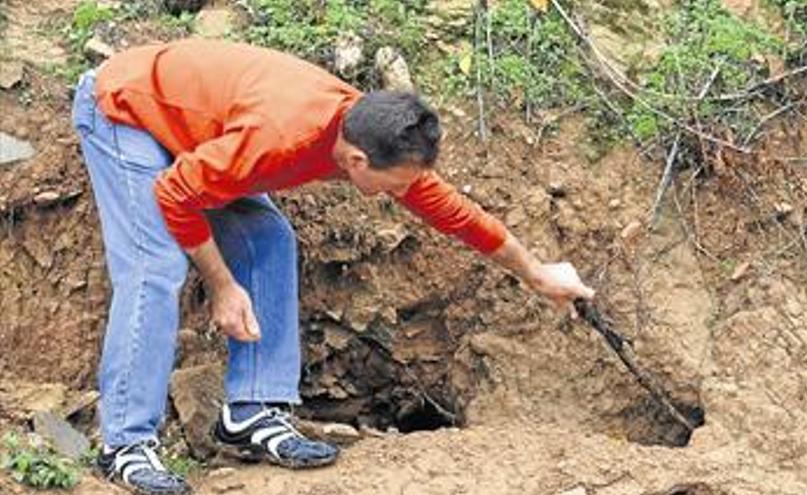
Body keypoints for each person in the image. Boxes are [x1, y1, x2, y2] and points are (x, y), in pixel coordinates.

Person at [72, 38, 594, 495]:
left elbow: (454, 213)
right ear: (359, 164)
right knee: (154, 265)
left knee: (268, 236)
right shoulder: (283, 139)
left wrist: (536, 272)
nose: (404, 195)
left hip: (197, 129)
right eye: (397, 187)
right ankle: (126, 443)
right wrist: (223, 285)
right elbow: (176, 192)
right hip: (123, 109)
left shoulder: (372, 133)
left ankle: (252, 411)